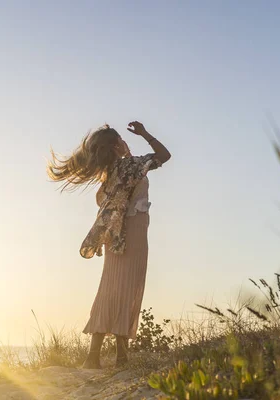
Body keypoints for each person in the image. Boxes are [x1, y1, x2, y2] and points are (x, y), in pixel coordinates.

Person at [47, 121, 171, 368]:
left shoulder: (110, 173)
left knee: (110, 289)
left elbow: (117, 195)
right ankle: (121, 357)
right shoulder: (129, 166)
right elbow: (164, 156)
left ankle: (94, 357)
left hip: (115, 234)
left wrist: (126, 154)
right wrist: (144, 134)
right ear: (117, 145)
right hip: (134, 231)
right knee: (128, 290)